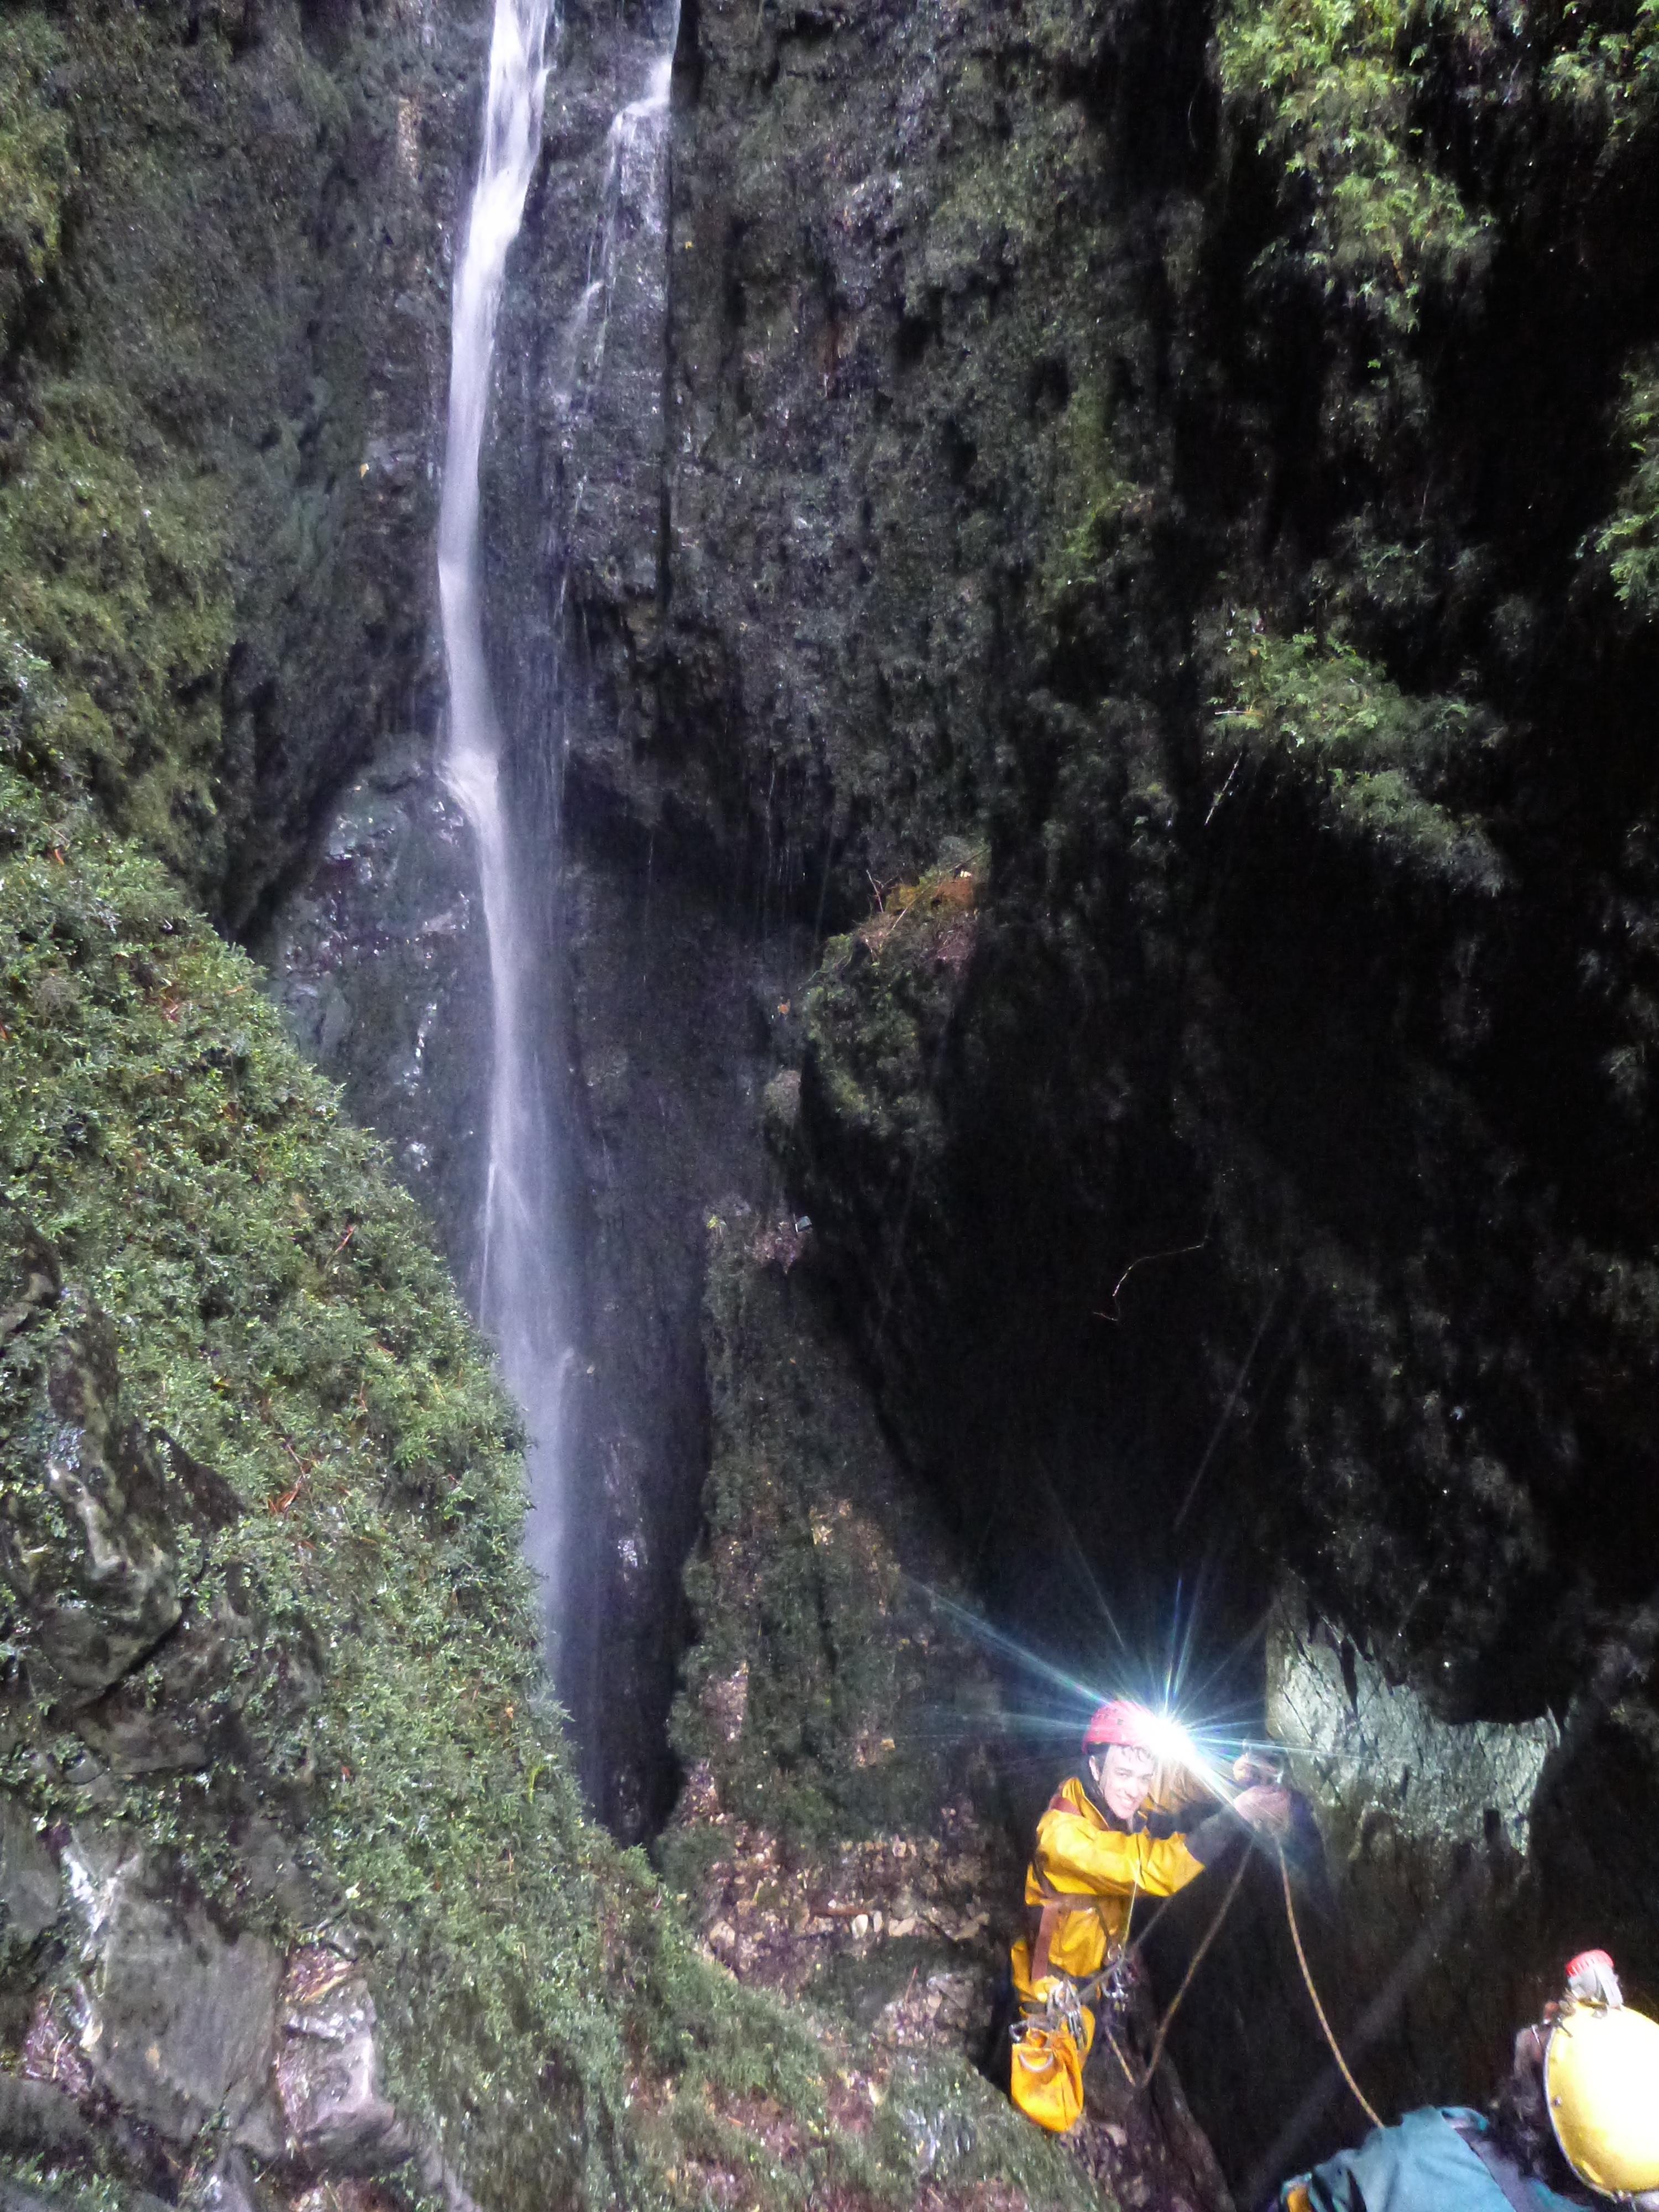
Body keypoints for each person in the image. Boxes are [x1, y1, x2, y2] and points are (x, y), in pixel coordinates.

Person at [1005, 1697, 1293, 2136]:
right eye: (1124, 1774)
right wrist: (1238, 1815)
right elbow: (1154, 1867)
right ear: (1096, 1767)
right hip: (1056, 1982)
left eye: (1142, 1777)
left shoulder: (1108, 1792)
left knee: (1094, 2050)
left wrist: (1234, 1771)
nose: (1135, 1789)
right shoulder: (1064, 1838)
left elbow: (1173, 1781)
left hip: (1096, 1965)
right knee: (1046, 2108)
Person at [1277, 1950, 1659, 2211]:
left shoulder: (1418, 2159)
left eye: (1551, 2031)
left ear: (1544, 2112)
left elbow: (1300, 2203)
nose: (1547, 2013)